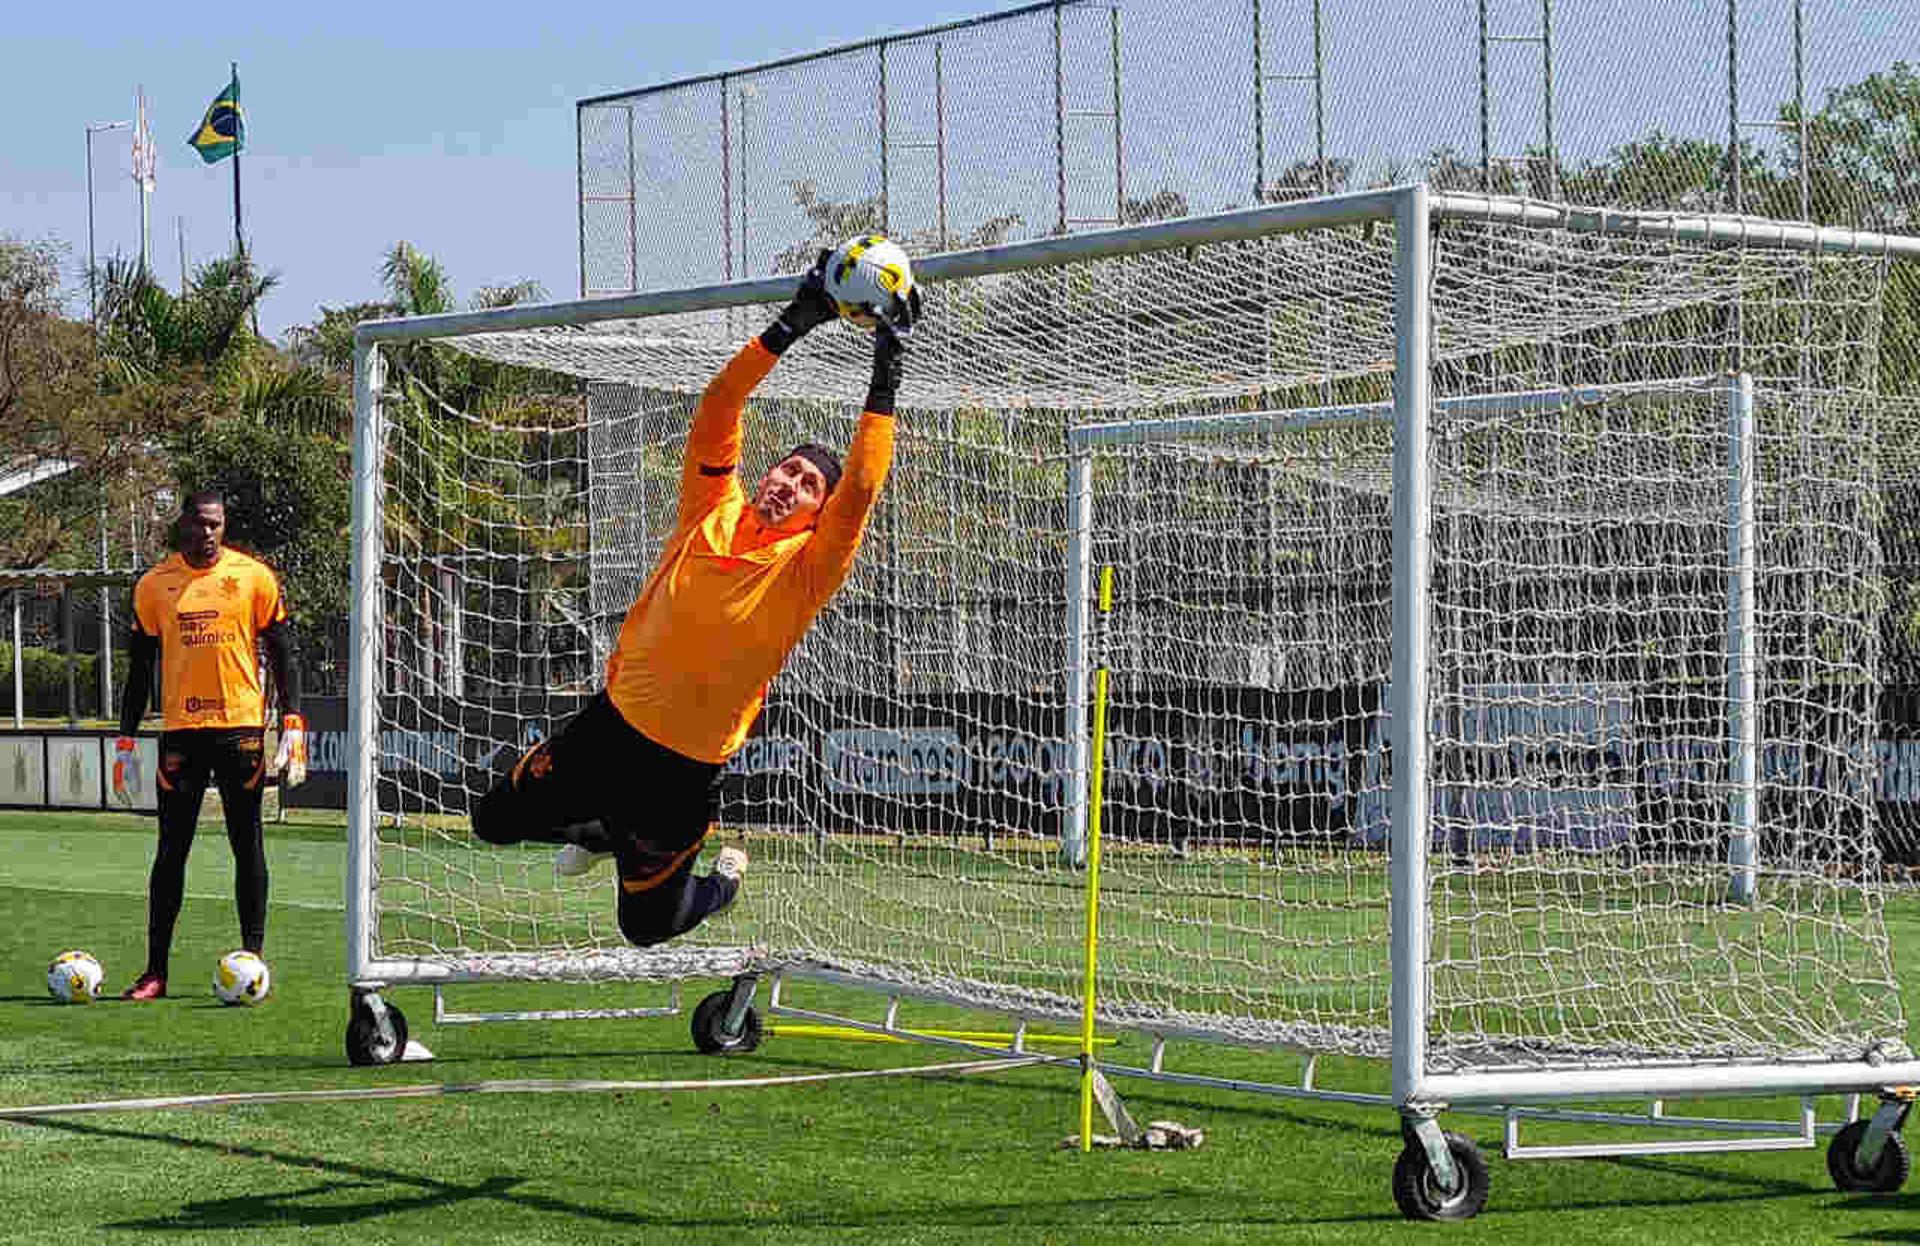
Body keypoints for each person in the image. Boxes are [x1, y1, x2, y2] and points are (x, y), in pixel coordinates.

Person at [472, 251, 919, 947]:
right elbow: (720, 404)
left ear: (815, 516)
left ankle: (721, 885)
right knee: (492, 821)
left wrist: (887, 369)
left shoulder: (807, 568)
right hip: (609, 732)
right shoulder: (709, 507)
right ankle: (597, 829)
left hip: (681, 775)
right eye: (788, 469)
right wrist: (791, 324)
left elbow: (860, 486)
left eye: (807, 488)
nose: (789, 485)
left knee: (644, 928)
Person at [114, 490, 307, 1001]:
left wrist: (292, 721)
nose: (207, 533)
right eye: (199, 524)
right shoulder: (154, 585)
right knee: (170, 851)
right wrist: (126, 738)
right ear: (183, 525)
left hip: (241, 731)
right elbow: (138, 668)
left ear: (225, 527)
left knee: (248, 845)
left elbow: (284, 652)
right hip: (180, 735)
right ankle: (155, 972)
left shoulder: (253, 577)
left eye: (216, 525)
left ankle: (254, 961)